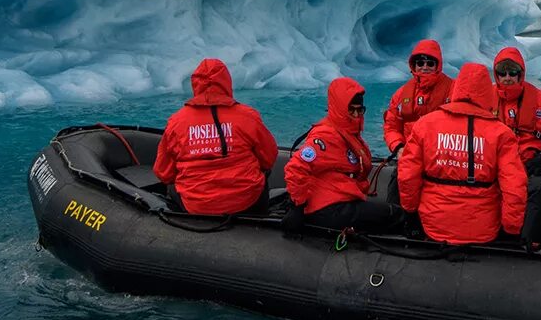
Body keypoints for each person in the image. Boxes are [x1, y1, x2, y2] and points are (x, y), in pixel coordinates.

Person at [396, 63, 528, 245]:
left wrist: (410, 214)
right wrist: (511, 230)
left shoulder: (426, 125)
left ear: (457, 88)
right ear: (487, 91)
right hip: (483, 229)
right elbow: (514, 187)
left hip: (434, 224)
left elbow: (407, 175)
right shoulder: (501, 133)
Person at [154, 57, 279, 216]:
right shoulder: (248, 116)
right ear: (226, 82)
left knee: (172, 186)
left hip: (196, 205)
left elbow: (163, 172)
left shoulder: (176, 122)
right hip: (247, 202)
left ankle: (184, 230)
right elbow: (269, 157)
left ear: (195, 84)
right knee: (262, 173)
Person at [284, 76, 396, 232]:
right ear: (340, 109)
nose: (356, 115)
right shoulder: (325, 136)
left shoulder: (347, 132)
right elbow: (295, 168)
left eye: (360, 110)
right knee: (395, 215)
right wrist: (297, 207)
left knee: (387, 213)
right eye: (351, 110)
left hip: (341, 197)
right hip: (328, 206)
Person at [493, 46, 541, 247]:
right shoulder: (485, 97)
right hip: (493, 167)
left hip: (528, 166)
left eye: (512, 72)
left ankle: (529, 241)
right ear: (496, 74)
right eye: (502, 72)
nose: (507, 77)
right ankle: (490, 238)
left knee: (538, 190)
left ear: (520, 74)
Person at [382, 39, 451, 154]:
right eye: (420, 63)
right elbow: (391, 126)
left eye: (430, 63)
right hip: (410, 156)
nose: (425, 67)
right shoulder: (401, 94)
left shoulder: (452, 89)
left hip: (442, 158)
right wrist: (398, 147)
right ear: (413, 65)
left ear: (438, 65)